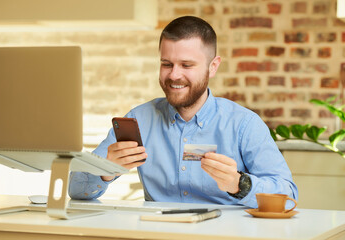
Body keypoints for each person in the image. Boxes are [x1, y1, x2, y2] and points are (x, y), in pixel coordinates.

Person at [69, 16, 298, 208]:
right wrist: (105, 170)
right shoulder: (138, 120)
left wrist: (240, 184)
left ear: (213, 66)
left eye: (187, 65)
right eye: (167, 64)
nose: (174, 75)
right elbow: (75, 188)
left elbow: (289, 197)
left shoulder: (244, 124)